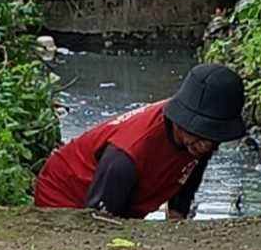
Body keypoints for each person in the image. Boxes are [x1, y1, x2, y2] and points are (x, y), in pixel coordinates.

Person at [32, 63, 244, 217]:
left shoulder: (196, 144)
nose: (207, 144)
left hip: (120, 194)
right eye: (201, 134)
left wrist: (177, 224)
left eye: (214, 136)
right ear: (182, 120)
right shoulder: (126, 155)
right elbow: (100, 219)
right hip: (66, 196)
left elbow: (186, 175)